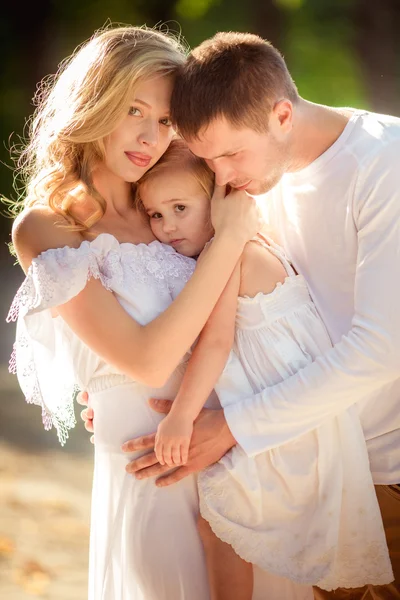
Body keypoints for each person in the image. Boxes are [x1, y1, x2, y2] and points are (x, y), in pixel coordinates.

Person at [113, 31, 400, 599]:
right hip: (309, 471)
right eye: (208, 157)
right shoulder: (250, 174)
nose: (219, 175)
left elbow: (382, 346)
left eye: (229, 154)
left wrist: (233, 428)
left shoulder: (384, 164)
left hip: (386, 471)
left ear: (283, 114)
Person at [5, 24, 272, 600]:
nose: (151, 136)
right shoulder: (49, 228)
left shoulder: (176, 205)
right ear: (95, 100)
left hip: (234, 451)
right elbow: (149, 362)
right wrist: (228, 240)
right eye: (135, 109)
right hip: (150, 471)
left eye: (167, 120)